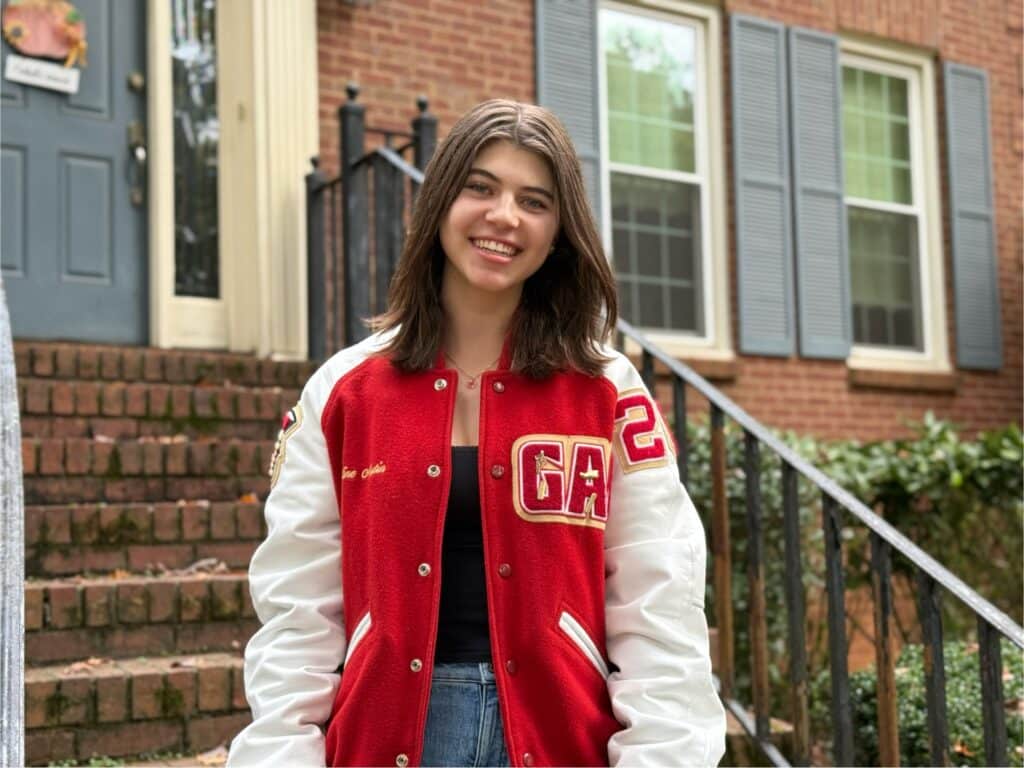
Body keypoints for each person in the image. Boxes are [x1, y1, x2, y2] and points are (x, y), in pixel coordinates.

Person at [227, 99, 726, 768]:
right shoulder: (343, 391)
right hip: (387, 743)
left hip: (560, 742)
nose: (504, 217)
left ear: (558, 233)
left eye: (535, 201)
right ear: (439, 203)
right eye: (481, 187)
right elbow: (298, 609)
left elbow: (657, 594)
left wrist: (663, 754)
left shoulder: (606, 388)